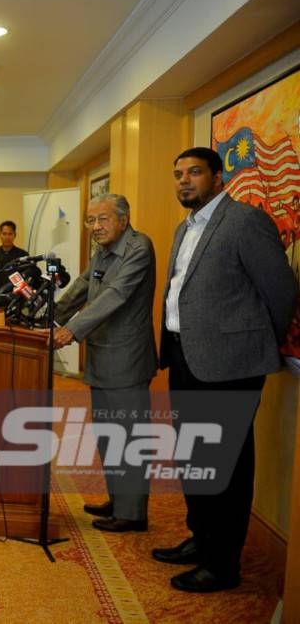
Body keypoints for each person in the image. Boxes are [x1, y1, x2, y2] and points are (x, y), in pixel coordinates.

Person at [153, 147, 296, 593]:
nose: (184, 181)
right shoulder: (185, 227)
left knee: (226, 465)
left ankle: (223, 563)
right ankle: (202, 538)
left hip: (231, 365)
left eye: (194, 172)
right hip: (185, 357)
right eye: (178, 174)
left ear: (218, 176)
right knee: (195, 458)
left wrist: (250, 342)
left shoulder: (244, 220)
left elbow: (281, 291)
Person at [53, 193, 157, 533]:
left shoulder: (138, 248)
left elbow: (116, 294)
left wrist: (71, 329)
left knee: (129, 437)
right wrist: (47, 317)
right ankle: (119, 501)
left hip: (127, 358)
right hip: (103, 355)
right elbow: (81, 287)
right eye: (89, 221)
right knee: (110, 436)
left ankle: (133, 514)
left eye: (102, 219)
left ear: (123, 220)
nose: (95, 227)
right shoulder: (103, 250)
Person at [0, 220, 28, 291]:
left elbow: (24, 276)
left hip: (15, 294)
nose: (7, 237)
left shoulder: (23, 254)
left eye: (10, 234)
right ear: (0, 234)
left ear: (15, 235)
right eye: (4, 234)